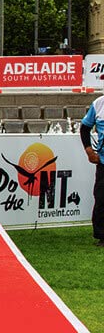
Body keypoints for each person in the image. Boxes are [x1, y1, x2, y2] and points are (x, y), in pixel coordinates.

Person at [80, 95, 104, 246]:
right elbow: (85, 128)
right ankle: (102, 236)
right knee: (101, 199)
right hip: (103, 162)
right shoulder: (99, 103)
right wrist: (89, 150)